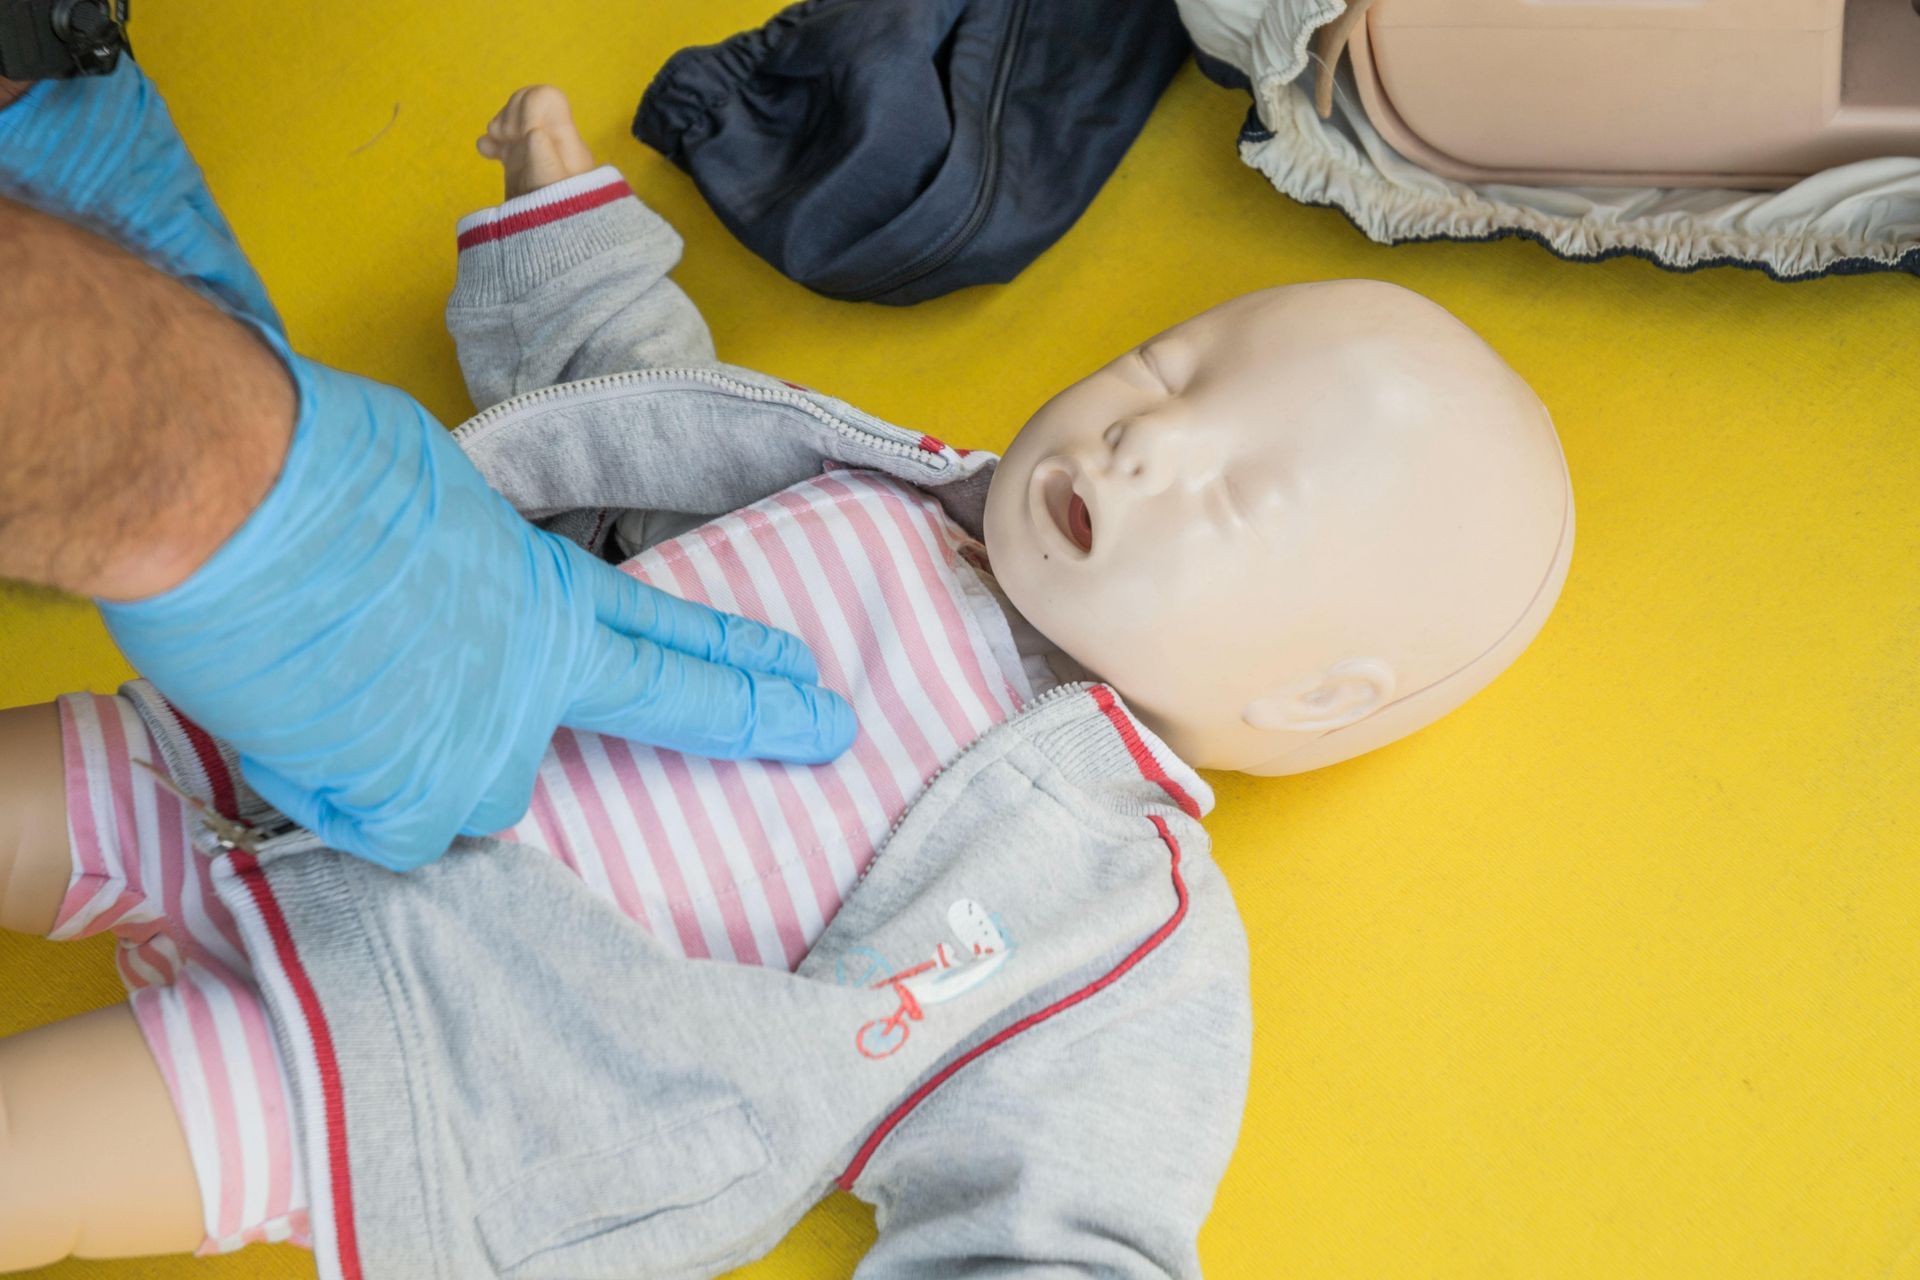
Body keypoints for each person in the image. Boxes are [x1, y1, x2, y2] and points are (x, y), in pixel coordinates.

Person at [0, 78, 1572, 1276]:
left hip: (420, 1051)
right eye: (1173, 366)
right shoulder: (883, 486)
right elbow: (643, 418)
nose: (1152, 436)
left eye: (1241, 499)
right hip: (275, 732)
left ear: (1314, 699)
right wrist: (569, 236)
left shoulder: (1123, 931)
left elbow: (1068, 1200)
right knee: (38, 782)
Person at [0, 65, 856, 875]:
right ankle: (555, 231)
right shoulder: (882, 511)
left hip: (438, 869)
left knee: (155, 259)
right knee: (654, 393)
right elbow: (670, 421)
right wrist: (233, 497)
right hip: (411, 639)